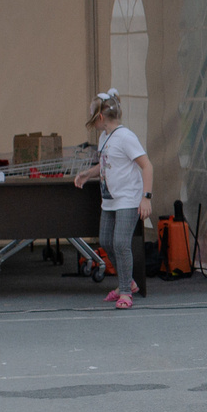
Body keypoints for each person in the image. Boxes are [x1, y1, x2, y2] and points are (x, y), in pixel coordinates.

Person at [75, 91, 153, 308]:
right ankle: (127, 282)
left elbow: (147, 165)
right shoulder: (104, 138)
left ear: (100, 118)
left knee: (120, 242)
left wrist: (146, 197)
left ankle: (126, 292)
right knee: (107, 240)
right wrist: (88, 174)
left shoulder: (126, 137)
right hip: (110, 199)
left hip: (128, 198)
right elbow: (108, 163)